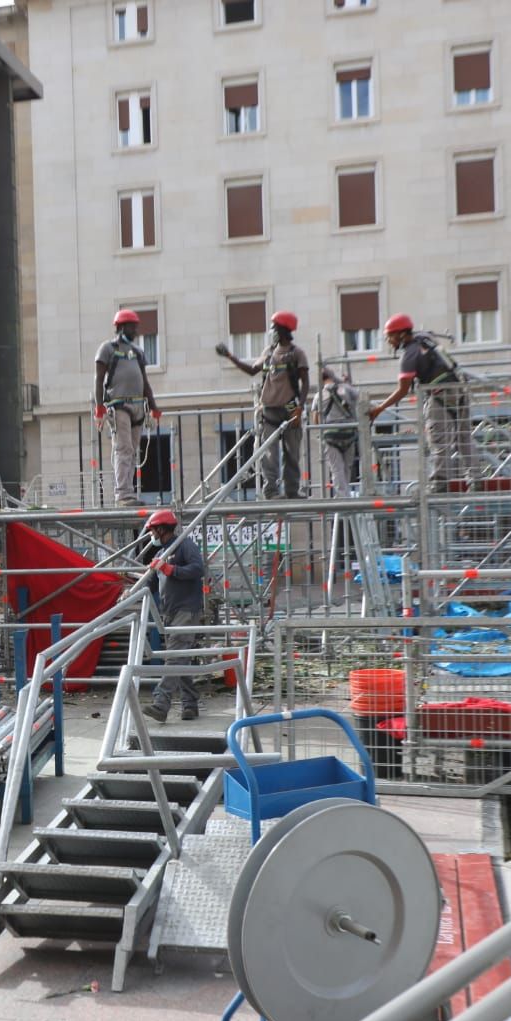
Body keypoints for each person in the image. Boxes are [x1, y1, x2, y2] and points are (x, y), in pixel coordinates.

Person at [366, 313, 479, 490]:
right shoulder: (425, 340)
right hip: (460, 389)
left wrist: (379, 409)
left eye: (390, 337)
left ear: (401, 335)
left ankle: (440, 482)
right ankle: (476, 478)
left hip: (439, 394)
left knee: (438, 438)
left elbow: (402, 389)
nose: (389, 342)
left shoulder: (409, 355)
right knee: (463, 438)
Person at [217, 311, 309, 500]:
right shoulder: (268, 352)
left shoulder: (297, 353)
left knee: (292, 451)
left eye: (275, 327)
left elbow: (305, 382)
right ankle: (271, 491)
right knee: (270, 454)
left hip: (291, 406)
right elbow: (252, 370)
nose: (272, 331)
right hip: (269, 408)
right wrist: (229, 356)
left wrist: (300, 406)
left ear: (284, 329)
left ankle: (292, 490)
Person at [139, 509, 205, 722]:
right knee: (180, 658)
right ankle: (190, 704)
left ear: (161, 529)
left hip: (187, 610)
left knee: (176, 657)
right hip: (169, 613)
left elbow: (198, 569)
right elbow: (151, 583)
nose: (151, 536)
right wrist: (132, 589)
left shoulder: (184, 545)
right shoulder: (160, 554)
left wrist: (171, 570)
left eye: (152, 531)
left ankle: (161, 703)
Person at [93, 309, 161, 506]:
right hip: (119, 405)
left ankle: (128, 492)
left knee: (132, 451)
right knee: (123, 448)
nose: (136, 330)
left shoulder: (137, 352)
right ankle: (122, 494)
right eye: (132, 326)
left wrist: (154, 407)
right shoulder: (107, 349)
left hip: (138, 406)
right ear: (121, 327)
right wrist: (99, 408)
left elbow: (145, 382)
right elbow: (98, 380)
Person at [312, 365, 361, 498]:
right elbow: (359, 400)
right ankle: (346, 496)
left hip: (331, 436)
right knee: (347, 468)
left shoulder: (318, 396)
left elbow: (316, 420)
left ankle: (342, 497)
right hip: (349, 433)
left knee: (336, 469)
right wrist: (345, 384)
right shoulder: (346, 389)